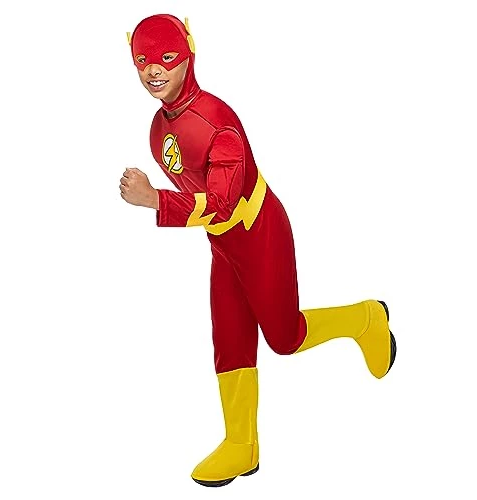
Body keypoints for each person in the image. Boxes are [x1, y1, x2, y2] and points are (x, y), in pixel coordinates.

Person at [119, 13, 396, 488]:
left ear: (188, 53)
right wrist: (173, 206)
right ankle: (241, 444)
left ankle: (365, 319)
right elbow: (203, 201)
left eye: (166, 57)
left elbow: (222, 204)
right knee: (229, 340)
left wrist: (155, 200)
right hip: (223, 245)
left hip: (259, 233)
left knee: (285, 338)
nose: (154, 70)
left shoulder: (216, 123)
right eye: (142, 60)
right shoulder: (158, 128)